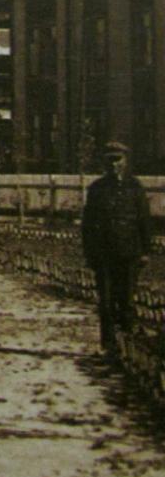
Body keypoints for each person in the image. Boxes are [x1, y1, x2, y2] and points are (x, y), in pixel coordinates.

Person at [81, 141, 153, 356]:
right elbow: (88, 225)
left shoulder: (135, 187)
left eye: (117, 159)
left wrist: (145, 251)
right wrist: (89, 254)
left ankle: (128, 349)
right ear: (104, 163)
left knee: (127, 301)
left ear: (125, 161)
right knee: (106, 302)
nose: (114, 164)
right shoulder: (97, 189)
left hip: (129, 252)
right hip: (104, 255)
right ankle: (109, 346)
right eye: (110, 160)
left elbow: (144, 221)